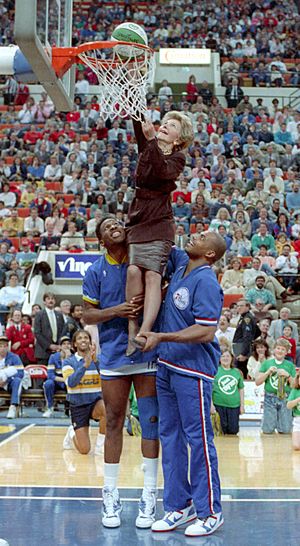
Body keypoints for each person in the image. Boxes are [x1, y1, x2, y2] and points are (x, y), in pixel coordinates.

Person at [139, 231, 226, 537]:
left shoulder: (206, 281)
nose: (195, 235)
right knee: (170, 437)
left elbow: (204, 332)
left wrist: (161, 336)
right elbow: (163, 234)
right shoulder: (179, 264)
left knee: (198, 440)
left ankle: (210, 510)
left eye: (203, 237)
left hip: (193, 371)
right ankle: (179, 505)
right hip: (166, 366)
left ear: (211, 254)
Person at [82, 217, 160, 530]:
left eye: (118, 223)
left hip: (146, 352)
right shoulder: (94, 270)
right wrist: (118, 310)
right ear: (101, 240)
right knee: (113, 421)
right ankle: (110, 493)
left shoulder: (143, 262)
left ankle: (150, 493)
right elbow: (87, 314)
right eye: (107, 226)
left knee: (150, 421)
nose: (115, 226)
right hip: (114, 355)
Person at [125, 112, 194, 356]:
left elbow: (163, 172)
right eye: (164, 122)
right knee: (133, 271)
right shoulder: (148, 142)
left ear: (179, 138)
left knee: (153, 276)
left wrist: (153, 138)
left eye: (172, 125)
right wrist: (133, 86)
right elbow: (138, 118)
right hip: (139, 218)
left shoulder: (178, 158)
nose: (164, 125)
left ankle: (145, 330)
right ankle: (132, 324)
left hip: (160, 220)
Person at [62, 330, 106, 455]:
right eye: (80, 338)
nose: (83, 340)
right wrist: (85, 366)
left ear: (90, 342)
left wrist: (95, 360)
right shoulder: (68, 362)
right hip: (78, 405)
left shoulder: (99, 360)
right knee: (84, 450)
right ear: (75, 344)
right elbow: (71, 383)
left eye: (86, 338)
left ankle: (100, 446)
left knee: (107, 409)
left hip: (95, 402)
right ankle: (72, 433)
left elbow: (105, 375)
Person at [255, 338, 296, 434]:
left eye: (283, 349)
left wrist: (288, 375)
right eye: (278, 348)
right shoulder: (266, 363)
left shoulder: (290, 366)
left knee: (286, 430)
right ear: (273, 350)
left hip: (285, 397)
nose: (280, 351)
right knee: (267, 430)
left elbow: (294, 385)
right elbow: (257, 382)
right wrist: (267, 372)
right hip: (270, 398)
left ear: (286, 352)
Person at [212, 350, 244, 435]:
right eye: (223, 356)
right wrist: (211, 405)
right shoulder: (214, 371)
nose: (225, 358)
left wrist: (242, 405)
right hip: (218, 404)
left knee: (233, 430)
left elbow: (241, 389)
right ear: (219, 358)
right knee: (221, 430)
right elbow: (209, 389)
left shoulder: (237, 372)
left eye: (227, 356)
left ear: (231, 358)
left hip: (234, 405)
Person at [42, 336, 70, 418]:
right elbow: (50, 375)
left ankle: (68, 410)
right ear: (60, 346)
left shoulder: (74, 357)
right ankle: (50, 407)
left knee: (71, 384)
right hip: (57, 380)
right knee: (48, 383)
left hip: (69, 380)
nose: (66, 346)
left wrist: (67, 358)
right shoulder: (53, 357)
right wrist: (63, 379)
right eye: (64, 344)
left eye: (68, 344)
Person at [34, 292, 65, 364]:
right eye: (48, 299)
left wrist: (59, 345)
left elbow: (62, 331)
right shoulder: (39, 314)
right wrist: (49, 346)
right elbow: (37, 333)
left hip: (58, 351)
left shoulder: (59, 315)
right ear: (44, 302)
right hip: (43, 352)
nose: (51, 301)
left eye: (52, 299)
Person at [0, 335, 24, 418]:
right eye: (0, 346)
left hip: (9, 383)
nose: (2, 348)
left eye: (5, 346)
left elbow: (21, 373)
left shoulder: (15, 357)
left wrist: (7, 380)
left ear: (8, 347)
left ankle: (13, 406)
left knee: (17, 380)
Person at [232, 300, 257, 377]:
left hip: (242, 349)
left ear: (247, 307)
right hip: (239, 348)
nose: (239, 308)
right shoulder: (243, 317)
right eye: (237, 306)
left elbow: (247, 337)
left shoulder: (247, 319)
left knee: (241, 372)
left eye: (241, 306)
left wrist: (243, 353)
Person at [287, 371, 300, 451]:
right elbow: (288, 405)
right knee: (296, 446)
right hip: (298, 421)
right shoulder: (295, 391)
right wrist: (298, 399)